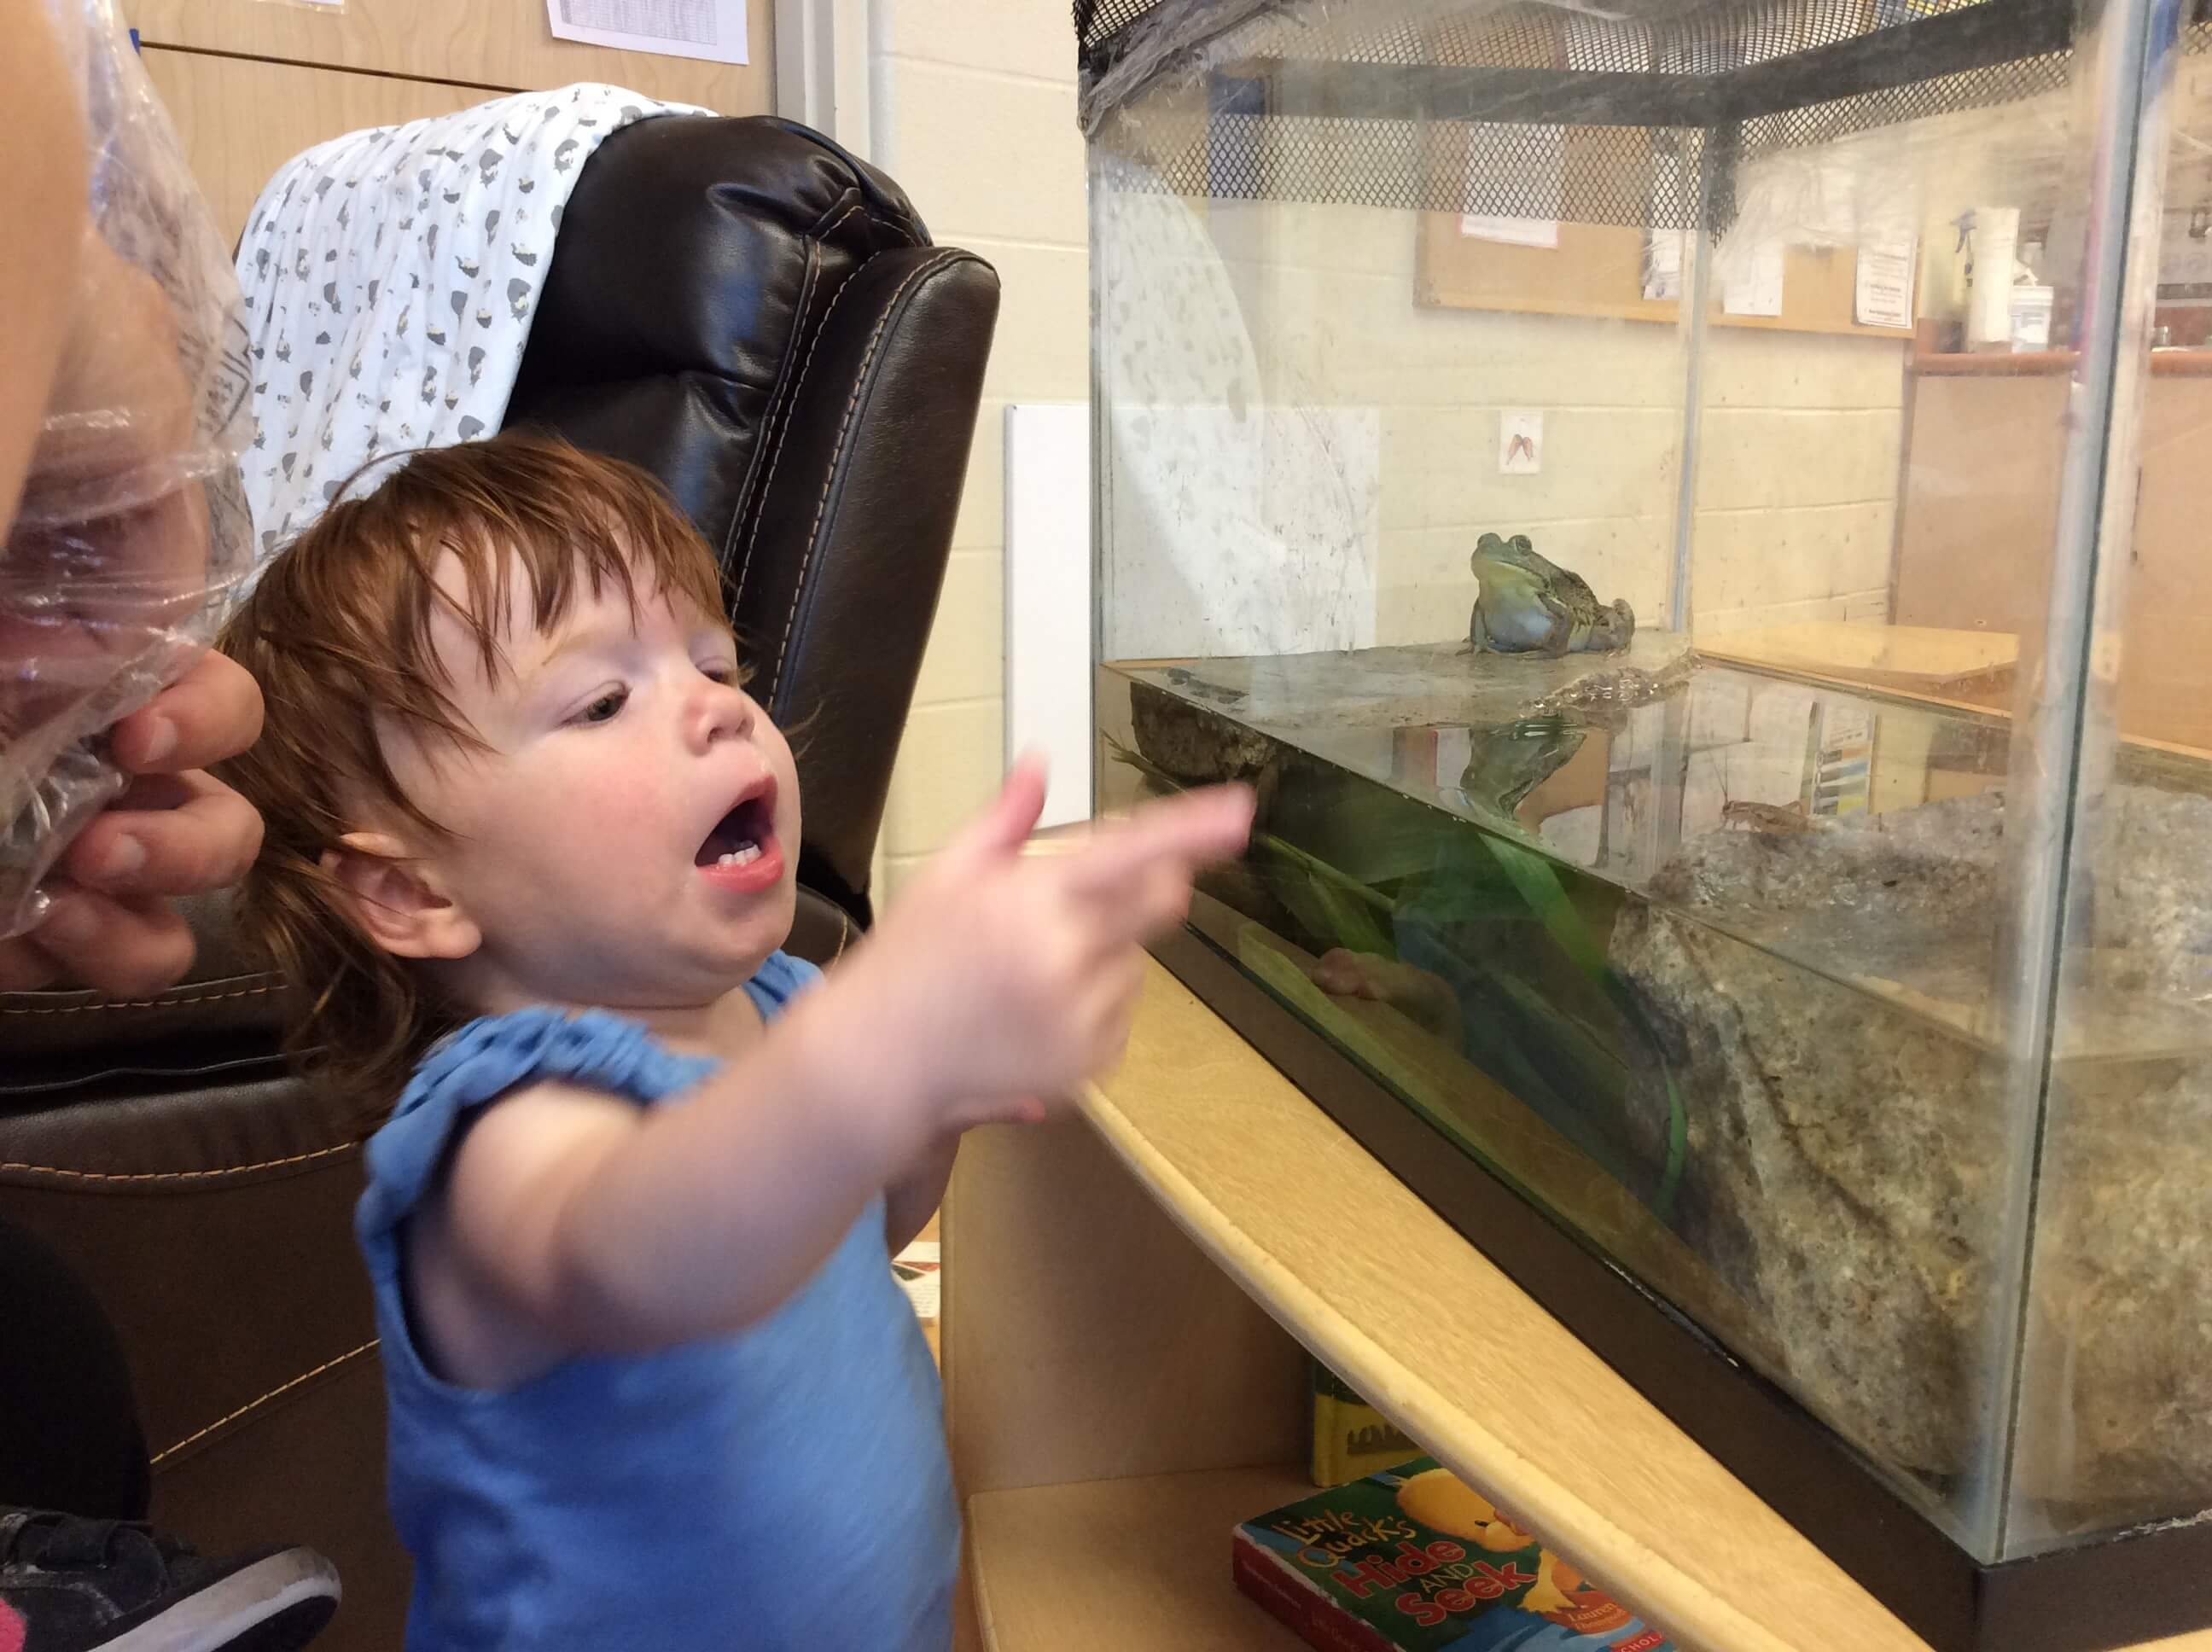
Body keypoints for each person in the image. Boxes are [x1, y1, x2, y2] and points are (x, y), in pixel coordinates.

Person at [213, 430, 1252, 1650]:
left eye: (717, 661)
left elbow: (848, 1232)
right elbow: (660, 1260)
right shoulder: (506, 1130)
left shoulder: (778, 1004)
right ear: (415, 895)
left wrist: (932, 1111)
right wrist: (885, 1047)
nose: (717, 710)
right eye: (602, 698)